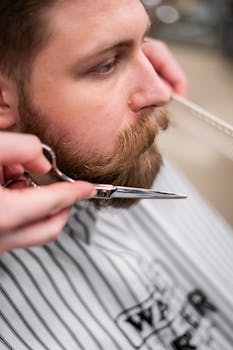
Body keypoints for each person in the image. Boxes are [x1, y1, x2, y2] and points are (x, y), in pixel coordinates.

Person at [0, 1, 232, 349]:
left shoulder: (123, 153)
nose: (159, 93)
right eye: (106, 65)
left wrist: (123, 47)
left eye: (145, 41)